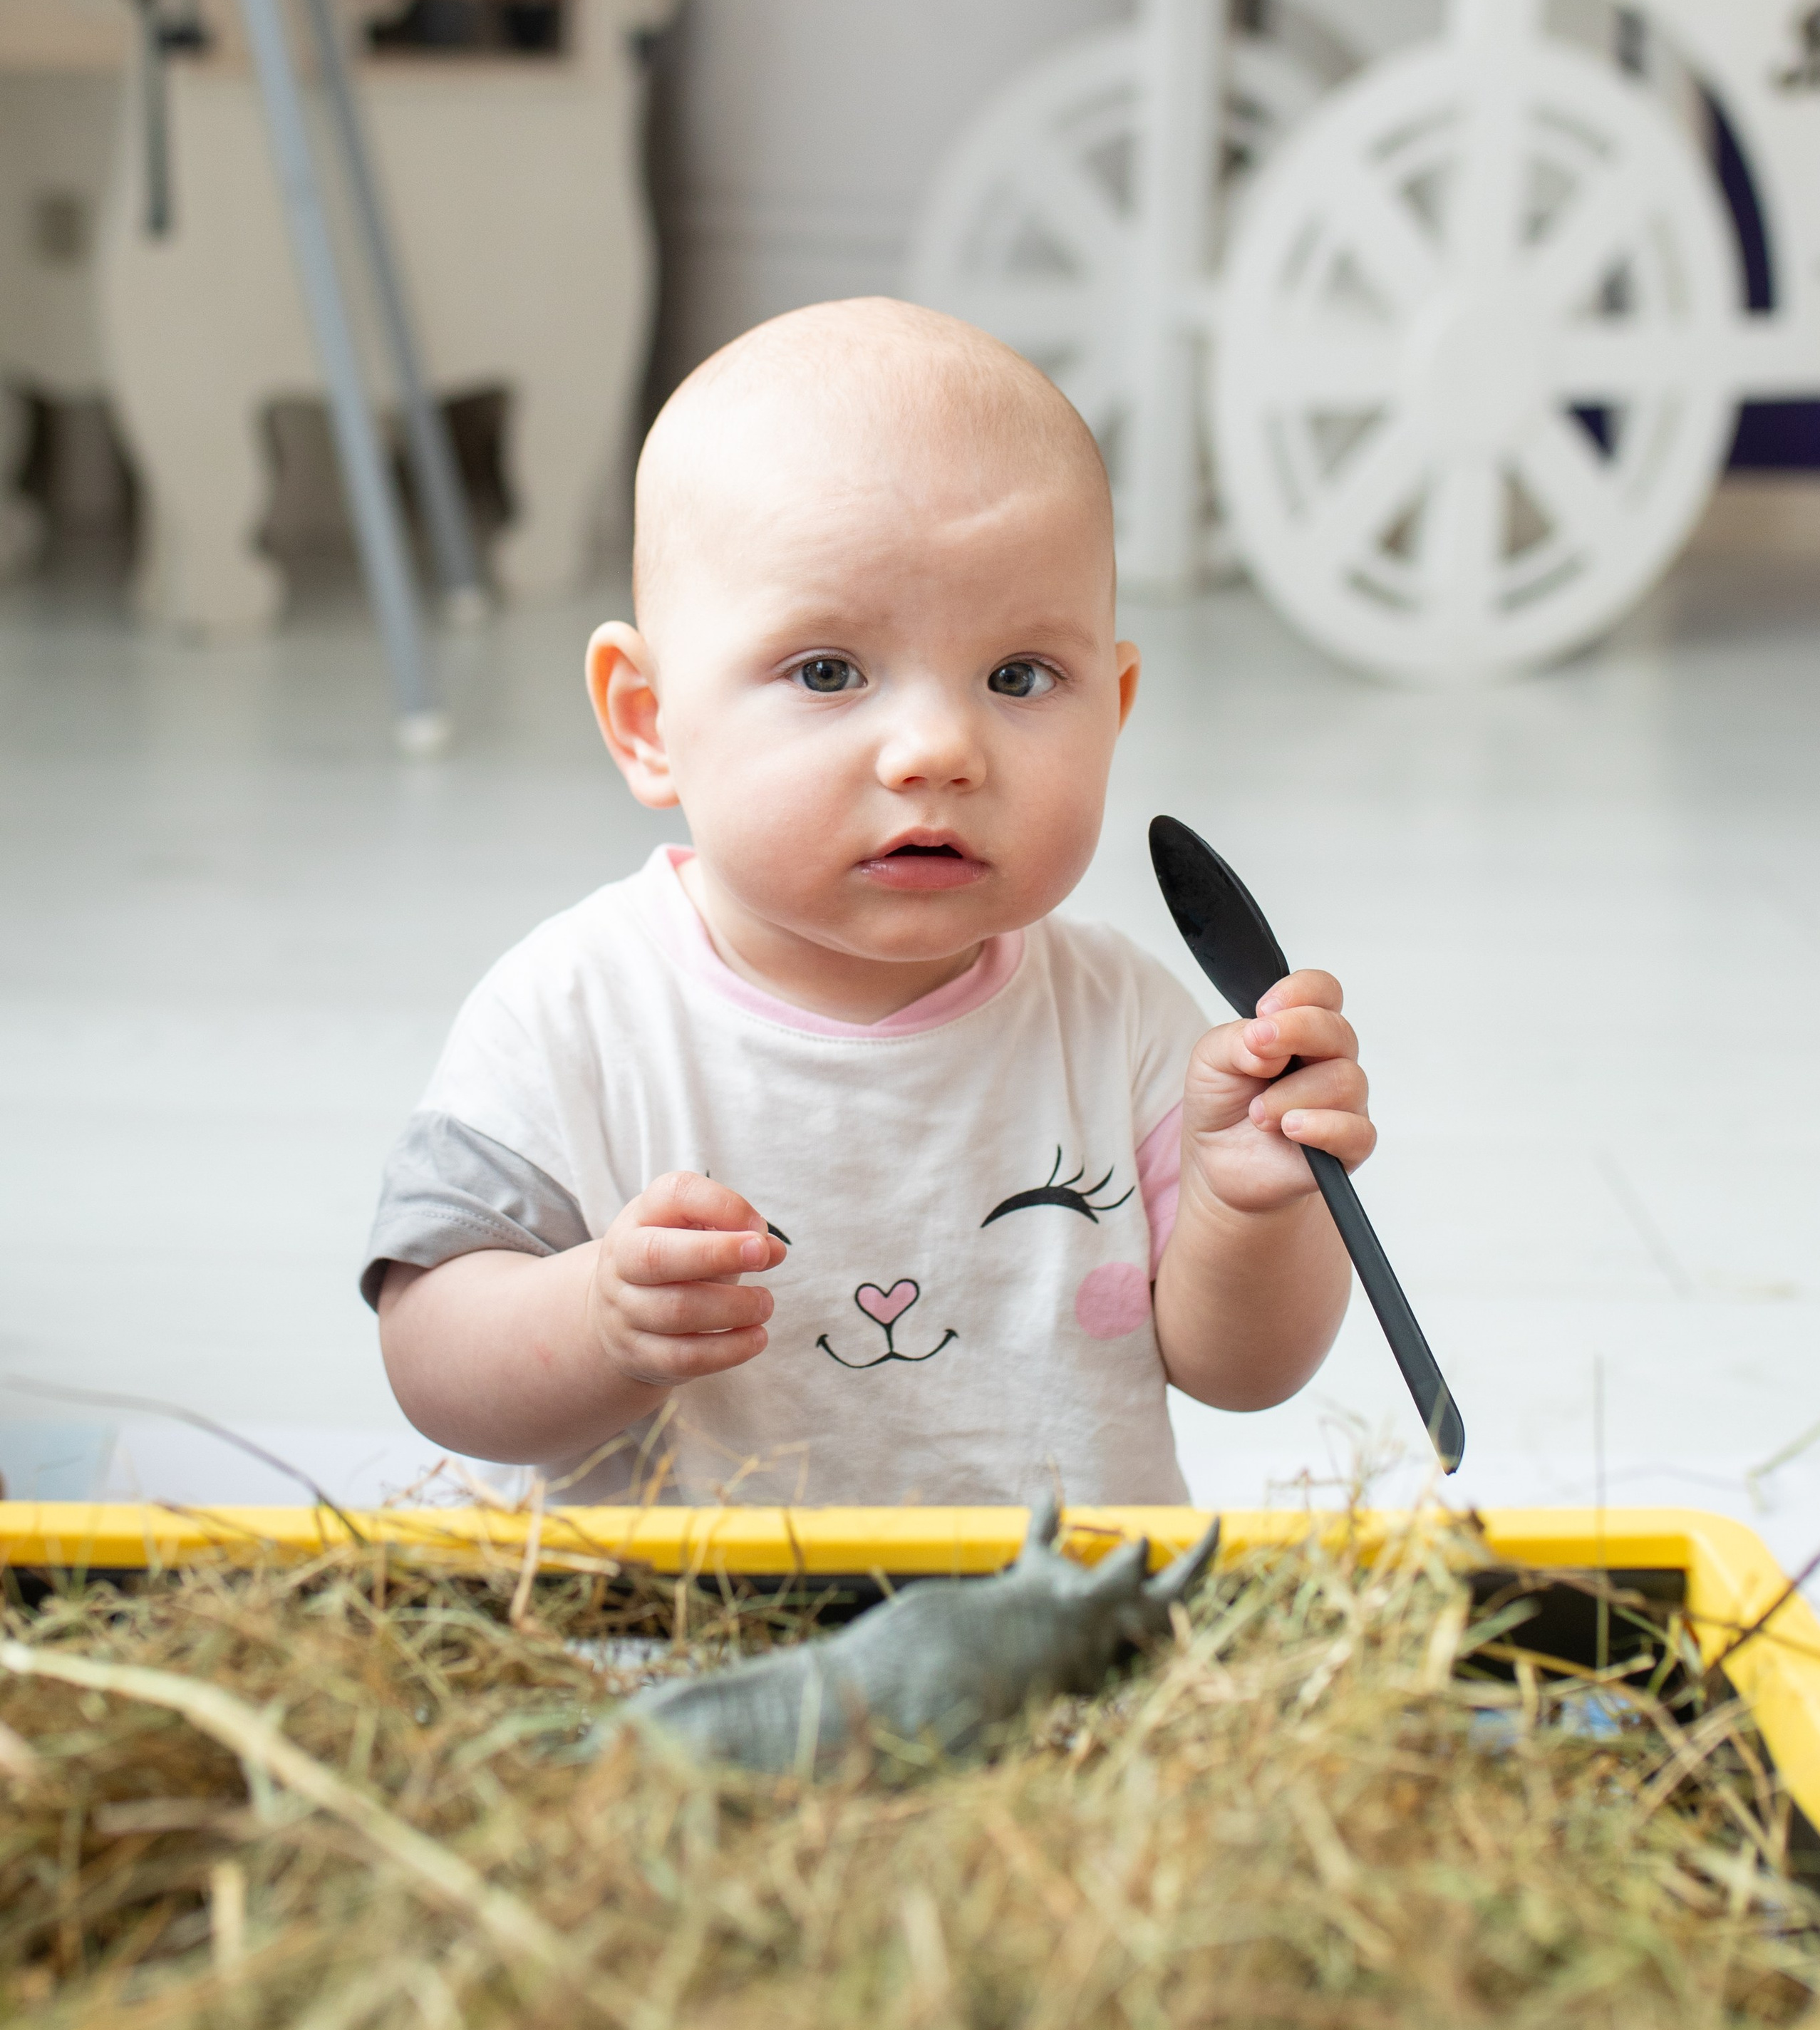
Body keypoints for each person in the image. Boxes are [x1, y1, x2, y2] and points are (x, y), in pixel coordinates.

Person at [364, 300, 1375, 1505]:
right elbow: (430, 1359)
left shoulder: (1131, 1028)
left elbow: (1241, 1373)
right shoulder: (575, 1012)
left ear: (1114, 706)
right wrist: (593, 1322)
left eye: (1018, 677)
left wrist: (1251, 1204)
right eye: (829, 672)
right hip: (684, 1660)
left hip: (1061, 1659)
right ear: (648, 721)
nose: (937, 750)